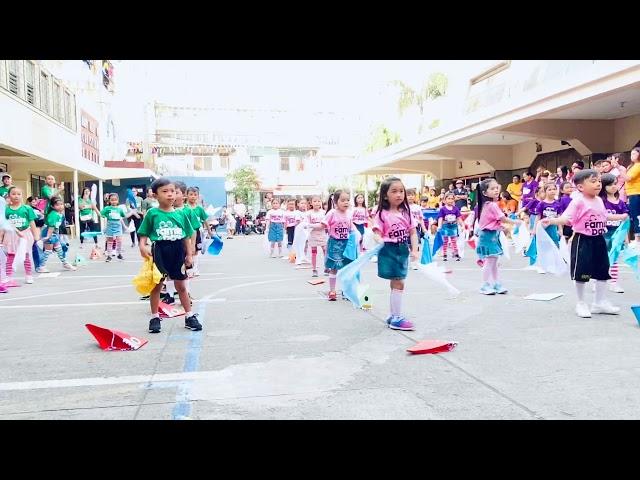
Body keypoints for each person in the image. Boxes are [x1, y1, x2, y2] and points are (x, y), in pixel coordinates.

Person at [542, 169, 628, 318]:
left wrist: (620, 216)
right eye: (593, 181)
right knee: (582, 272)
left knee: (602, 271)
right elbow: (566, 218)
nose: (598, 184)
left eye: (599, 181)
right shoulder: (578, 201)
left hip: (599, 239)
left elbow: (604, 216)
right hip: (583, 240)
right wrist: (552, 221)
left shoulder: (599, 200)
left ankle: (599, 302)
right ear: (581, 187)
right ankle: (581, 303)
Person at [137, 178, 200, 334]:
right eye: (165, 191)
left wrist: (189, 254)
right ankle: (155, 317)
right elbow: (143, 233)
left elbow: (186, 235)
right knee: (157, 285)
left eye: (172, 191)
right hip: (160, 251)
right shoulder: (152, 213)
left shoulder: (181, 214)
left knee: (182, 286)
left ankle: (189, 315)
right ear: (155, 195)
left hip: (178, 250)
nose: (170, 194)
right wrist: (142, 245)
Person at [371, 177, 418, 331]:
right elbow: (376, 232)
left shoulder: (407, 212)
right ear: (385, 195)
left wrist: (415, 250)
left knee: (397, 282)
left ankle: (393, 315)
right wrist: (379, 239)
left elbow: (412, 232)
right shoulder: (381, 213)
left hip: (402, 249)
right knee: (398, 282)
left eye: (401, 191)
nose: (399, 194)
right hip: (389, 250)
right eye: (394, 191)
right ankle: (396, 318)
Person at [475, 178, 521, 295]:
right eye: (492, 188)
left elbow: (493, 222)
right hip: (488, 237)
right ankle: (485, 285)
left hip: (491, 236)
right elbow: (503, 218)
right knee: (490, 262)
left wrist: (502, 228)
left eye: (496, 188)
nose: (496, 190)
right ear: (485, 193)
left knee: (494, 262)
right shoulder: (491, 205)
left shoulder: (488, 204)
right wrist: (516, 222)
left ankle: (495, 283)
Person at [322, 190, 357, 302]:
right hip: (335, 244)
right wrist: (310, 226)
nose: (346, 202)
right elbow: (323, 224)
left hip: (346, 244)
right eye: (343, 200)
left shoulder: (349, 214)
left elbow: (351, 229)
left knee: (346, 268)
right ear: (336, 202)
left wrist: (357, 237)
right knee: (334, 268)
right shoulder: (332, 213)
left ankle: (345, 291)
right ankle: (332, 291)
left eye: (347, 200)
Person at [2, 186, 40, 285]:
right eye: (13, 194)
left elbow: (32, 223)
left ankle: (28, 275)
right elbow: (3, 225)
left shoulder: (26, 208)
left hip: (25, 234)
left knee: (26, 255)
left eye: (18, 194)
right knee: (10, 256)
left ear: (22, 196)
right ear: (9, 196)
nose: (16, 196)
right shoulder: (6, 210)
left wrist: (36, 235)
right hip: (11, 235)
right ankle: (8, 276)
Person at [599, 173, 628, 293]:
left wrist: (625, 237)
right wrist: (619, 217)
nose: (613, 186)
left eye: (615, 184)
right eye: (610, 184)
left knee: (614, 259)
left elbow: (625, 221)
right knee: (601, 259)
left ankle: (614, 282)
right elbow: (601, 217)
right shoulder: (600, 201)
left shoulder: (620, 203)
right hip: (603, 234)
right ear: (603, 186)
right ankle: (598, 281)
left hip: (616, 235)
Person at [36, 197, 76, 273]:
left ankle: (65, 263)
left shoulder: (59, 214)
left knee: (59, 250)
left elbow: (56, 227)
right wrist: (48, 236)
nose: (60, 206)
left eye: (61, 204)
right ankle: (41, 266)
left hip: (54, 234)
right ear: (52, 206)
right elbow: (51, 226)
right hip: (49, 233)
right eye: (57, 205)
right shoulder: (53, 214)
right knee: (48, 251)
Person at [186, 187, 210, 276]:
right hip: (186, 232)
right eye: (191, 194)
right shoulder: (184, 208)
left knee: (195, 250)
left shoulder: (199, 209)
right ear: (186, 195)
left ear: (198, 196)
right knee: (187, 250)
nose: (193, 196)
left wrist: (209, 232)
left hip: (197, 231)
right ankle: (188, 268)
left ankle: (195, 268)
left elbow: (205, 220)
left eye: (195, 195)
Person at [437, 192, 465, 262]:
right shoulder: (442, 209)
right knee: (445, 241)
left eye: (452, 199)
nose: (450, 200)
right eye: (448, 199)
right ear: (445, 200)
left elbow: (459, 218)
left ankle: (456, 253)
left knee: (454, 241)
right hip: (445, 226)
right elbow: (440, 218)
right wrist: (439, 226)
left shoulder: (455, 209)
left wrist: (462, 225)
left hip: (453, 226)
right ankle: (444, 254)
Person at [100, 193, 127, 262]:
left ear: (118, 201)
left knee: (119, 241)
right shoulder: (107, 208)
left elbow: (123, 215)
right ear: (109, 201)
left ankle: (119, 254)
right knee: (110, 242)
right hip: (110, 227)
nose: (114, 201)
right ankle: (109, 256)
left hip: (118, 227)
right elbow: (101, 214)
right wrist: (104, 215)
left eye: (115, 200)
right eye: (112, 200)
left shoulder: (120, 209)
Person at [533, 183, 562, 247]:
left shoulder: (557, 204)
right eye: (550, 189)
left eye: (554, 189)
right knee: (544, 246)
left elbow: (559, 217)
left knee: (555, 245)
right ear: (545, 191)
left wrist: (560, 229)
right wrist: (534, 229)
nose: (552, 191)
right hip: (543, 228)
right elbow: (538, 217)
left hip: (553, 228)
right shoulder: (541, 204)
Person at [306, 196, 328, 278]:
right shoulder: (308, 213)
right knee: (314, 253)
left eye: (319, 201)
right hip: (313, 235)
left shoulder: (324, 212)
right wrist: (317, 225)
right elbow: (307, 224)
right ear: (311, 203)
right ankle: (314, 269)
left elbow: (325, 224)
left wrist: (314, 225)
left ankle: (326, 268)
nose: (317, 203)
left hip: (322, 234)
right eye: (315, 201)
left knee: (325, 251)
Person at [406, 189, 427, 270]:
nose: (410, 197)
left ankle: (414, 262)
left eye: (412, 195)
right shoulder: (403, 207)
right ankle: (407, 261)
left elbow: (421, 219)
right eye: (408, 195)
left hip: (416, 228)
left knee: (415, 245)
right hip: (406, 228)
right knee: (406, 245)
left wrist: (424, 229)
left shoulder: (417, 207)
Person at [625, 147, 640, 244]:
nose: (632, 156)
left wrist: (618, 167)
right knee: (633, 215)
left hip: (636, 192)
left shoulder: (638, 166)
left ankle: (637, 238)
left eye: (634, 154)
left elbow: (628, 178)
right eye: (631, 154)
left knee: (636, 215)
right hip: (630, 193)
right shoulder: (631, 166)